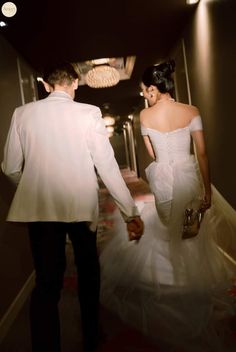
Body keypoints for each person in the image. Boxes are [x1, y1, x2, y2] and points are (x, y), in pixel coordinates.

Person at [1, 62, 144, 352]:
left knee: (46, 283)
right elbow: (106, 166)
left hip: (41, 210)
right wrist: (130, 212)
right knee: (88, 273)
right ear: (76, 83)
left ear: (45, 85)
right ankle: (92, 336)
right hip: (80, 205)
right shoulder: (88, 113)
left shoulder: (22, 114)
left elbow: (10, 168)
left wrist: (35, 189)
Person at [99, 60, 236, 351]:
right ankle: (192, 283)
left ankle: (174, 280)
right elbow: (202, 153)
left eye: (145, 91)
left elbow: (151, 153)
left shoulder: (146, 117)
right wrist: (206, 189)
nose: (144, 96)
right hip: (188, 175)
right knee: (190, 229)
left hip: (161, 177)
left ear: (153, 88)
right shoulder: (191, 111)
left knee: (167, 223)